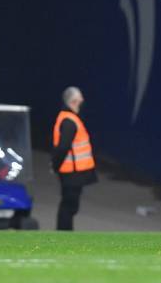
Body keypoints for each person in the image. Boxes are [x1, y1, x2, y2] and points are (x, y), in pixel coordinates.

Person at [52, 86, 97, 231]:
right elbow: (63, 147)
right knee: (69, 205)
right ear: (73, 101)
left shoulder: (68, 118)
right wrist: (55, 166)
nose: (83, 100)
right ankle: (64, 234)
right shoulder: (69, 121)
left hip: (73, 172)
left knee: (70, 205)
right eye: (80, 98)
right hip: (72, 172)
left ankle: (65, 233)